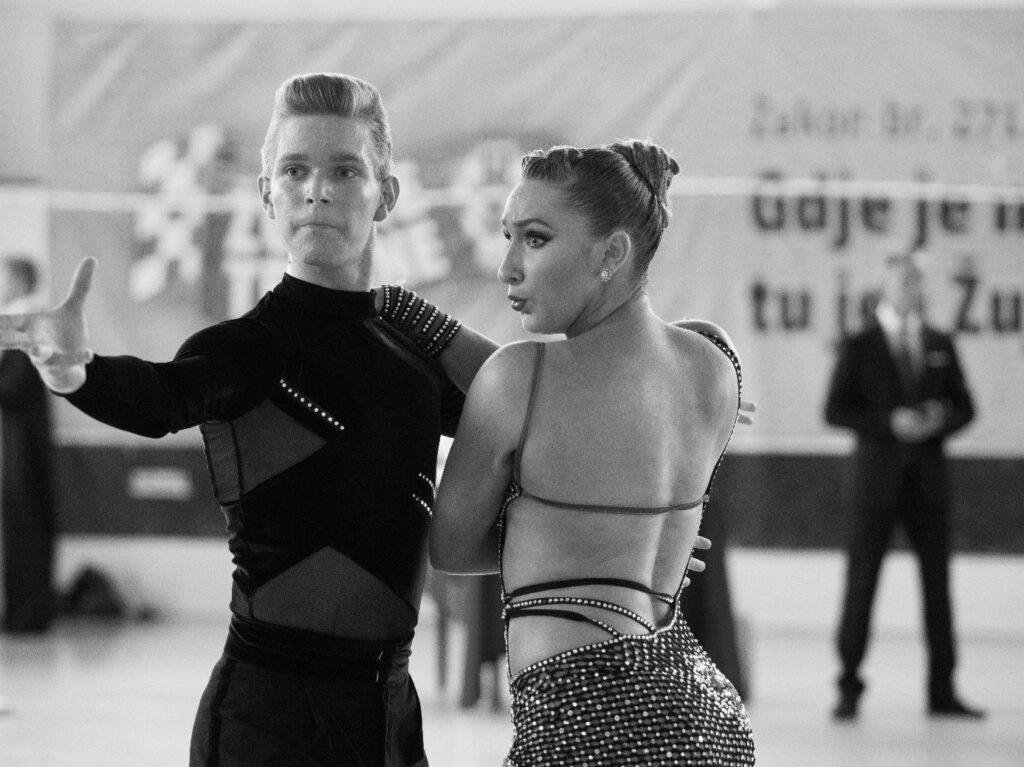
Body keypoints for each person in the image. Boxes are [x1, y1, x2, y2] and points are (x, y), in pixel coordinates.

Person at [0, 73, 499, 767]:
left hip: (388, 715)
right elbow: (162, 396)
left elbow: (518, 412)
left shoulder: (414, 357)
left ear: (386, 195)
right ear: (267, 193)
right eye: (294, 170)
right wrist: (75, 372)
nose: (316, 189)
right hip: (269, 718)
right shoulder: (250, 348)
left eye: (344, 170)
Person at [429, 140, 755, 765]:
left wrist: (561, 538)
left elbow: (450, 548)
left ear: (612, 253)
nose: (507, 268)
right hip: (708, 720)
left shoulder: (519, 378)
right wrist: (605, 543)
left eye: (536, 239)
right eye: (507, 237)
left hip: (586, 724)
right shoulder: (716, 370)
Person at [824, 248, 983, 720]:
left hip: (928, 485)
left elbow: (965, 407)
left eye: (916, 281)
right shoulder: (860, 344)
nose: (910, 289)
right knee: (861, 585)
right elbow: (835, 410)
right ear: (885, 288)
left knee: (938, 589)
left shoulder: (939, 341)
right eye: (902, 281)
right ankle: (849, 685)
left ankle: (942, 688)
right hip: (874, 486)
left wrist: (939, 420)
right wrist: (888, 423)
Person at [0, 255, 57, 635]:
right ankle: (23, 609)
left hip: (24, 441)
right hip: (20, 438)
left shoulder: (26, 320)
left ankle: (28, 612)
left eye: (5, 278)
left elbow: (13, 387)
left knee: (26, 524)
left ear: (20, 281)